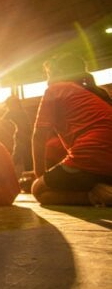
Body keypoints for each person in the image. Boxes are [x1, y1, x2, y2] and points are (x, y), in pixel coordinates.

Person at [31, 54, 112, 206]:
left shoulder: (55, 90)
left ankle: (95, 196)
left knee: (39, 191)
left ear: (58, 72)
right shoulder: (94, 93)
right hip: (104, 160)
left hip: (91, 154)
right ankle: (103, 189)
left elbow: (39, 136)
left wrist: (40, 176)